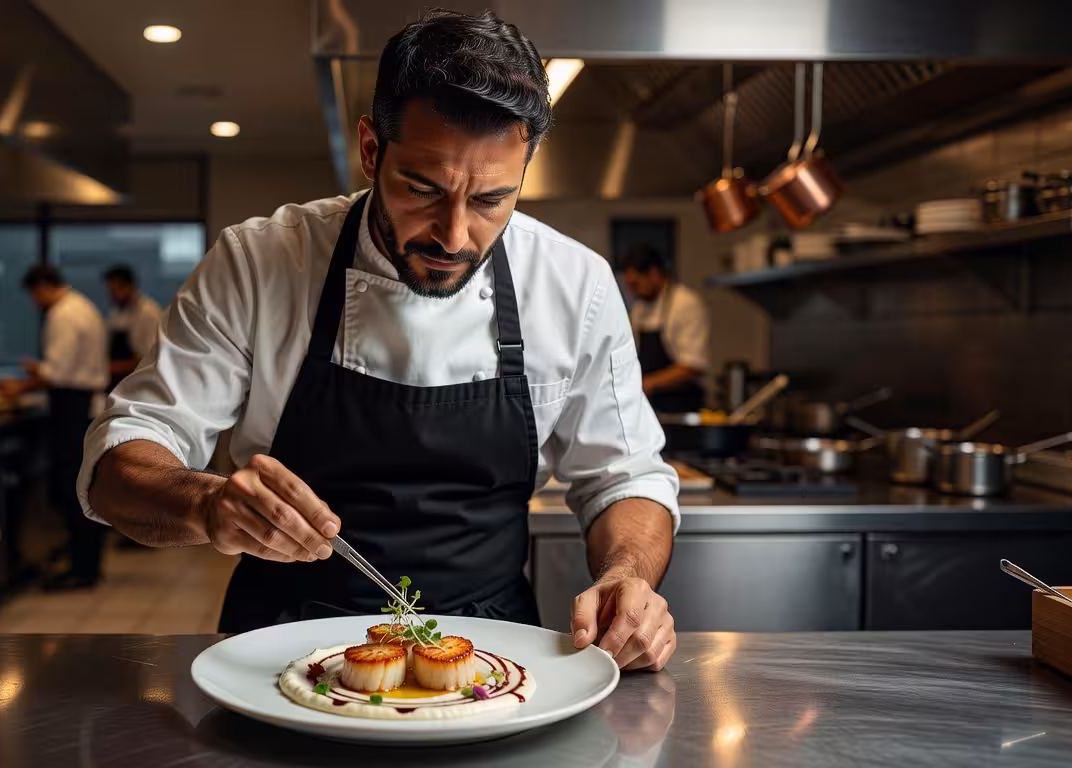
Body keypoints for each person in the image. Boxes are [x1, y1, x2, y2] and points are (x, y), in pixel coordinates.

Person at [79, 10, 680, 671]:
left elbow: (627, 476)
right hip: (275, 653)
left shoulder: (574, 285)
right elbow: (120, 466)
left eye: (490, 201)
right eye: (423, 189)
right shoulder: (259, 262)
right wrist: (206, 504)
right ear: (371, 150)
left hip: (490, 659)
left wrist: (629, 575)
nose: (453, 236)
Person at [2, 265, 109, 591]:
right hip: (85, 407)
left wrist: (24, 382)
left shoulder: (63, 314)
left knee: (74, 490)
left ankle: (82, 570)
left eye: (33, 294)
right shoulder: (83, 306)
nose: (34, 303)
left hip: (74, 409)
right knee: (87, 488)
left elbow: (57, 372)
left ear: (44, 287)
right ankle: (88, 565)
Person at [616, 243, 710, 414]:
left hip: (682, 406)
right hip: (651, 406)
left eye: (635, 284)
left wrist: (647, 383)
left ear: (654, 274)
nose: (632, 292)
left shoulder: (685, 303)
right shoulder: (639, 309)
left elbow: (693, 365)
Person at [103, 264, 165, 389]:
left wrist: (116, 367)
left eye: (114, 291)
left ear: (130, 286)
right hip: (119, 381)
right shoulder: (116, 312)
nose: (111, 296)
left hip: (142, 382)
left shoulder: (149, 312)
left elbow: (151, 358)